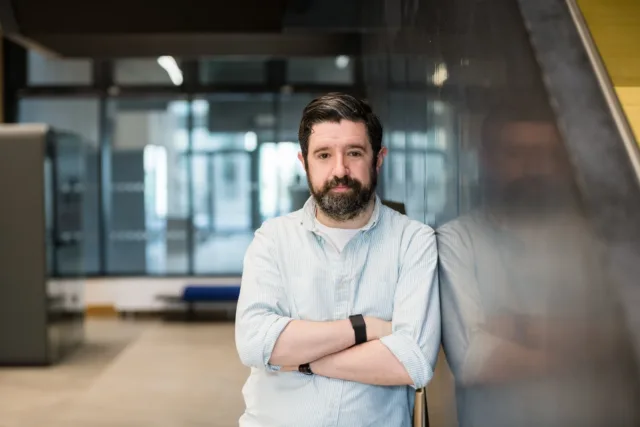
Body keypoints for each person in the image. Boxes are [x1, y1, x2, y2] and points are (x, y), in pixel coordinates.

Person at [235, 92, 441, 427]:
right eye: (324, 155)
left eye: (354, 153)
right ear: (304, 162)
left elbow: (411, 363)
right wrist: (365, 328)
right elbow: (256, 343)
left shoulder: (413, 241)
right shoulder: (272, 239)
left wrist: (302, 361)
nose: (339, 170)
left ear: (378, 158)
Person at [438, 103, 640, 427]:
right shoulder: (456, 241)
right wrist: (593, 359)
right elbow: (475, 360)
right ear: (487, 158)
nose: (535, 167)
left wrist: (521, 327)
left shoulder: (598, 243)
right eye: (517, 153)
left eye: (546, 154)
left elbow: (627, 335)